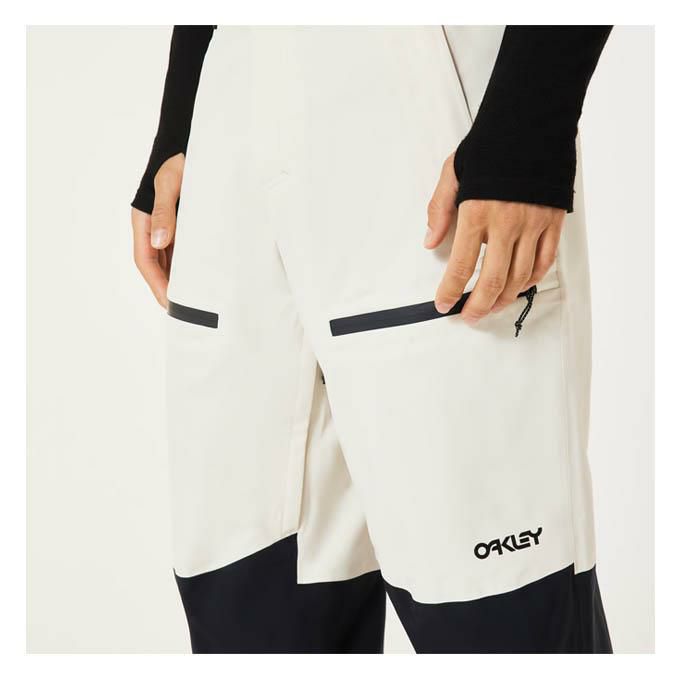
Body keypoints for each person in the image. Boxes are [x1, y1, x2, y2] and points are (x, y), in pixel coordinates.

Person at [130, 25, 613, 653]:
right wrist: (179, 125)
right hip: (229, 100)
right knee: (245, 601)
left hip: (429, 94)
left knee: (495, 613)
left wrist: (530, 118)